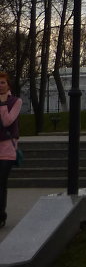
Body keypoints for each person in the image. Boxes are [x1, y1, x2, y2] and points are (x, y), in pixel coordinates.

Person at [0, 72, 22, 228]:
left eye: (2, 82)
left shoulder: (16, 101)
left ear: (8, 85)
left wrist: (2, 105)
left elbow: (7, 121)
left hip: (7, 149)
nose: (0, 85)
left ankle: (1, 216)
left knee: (1, 183)